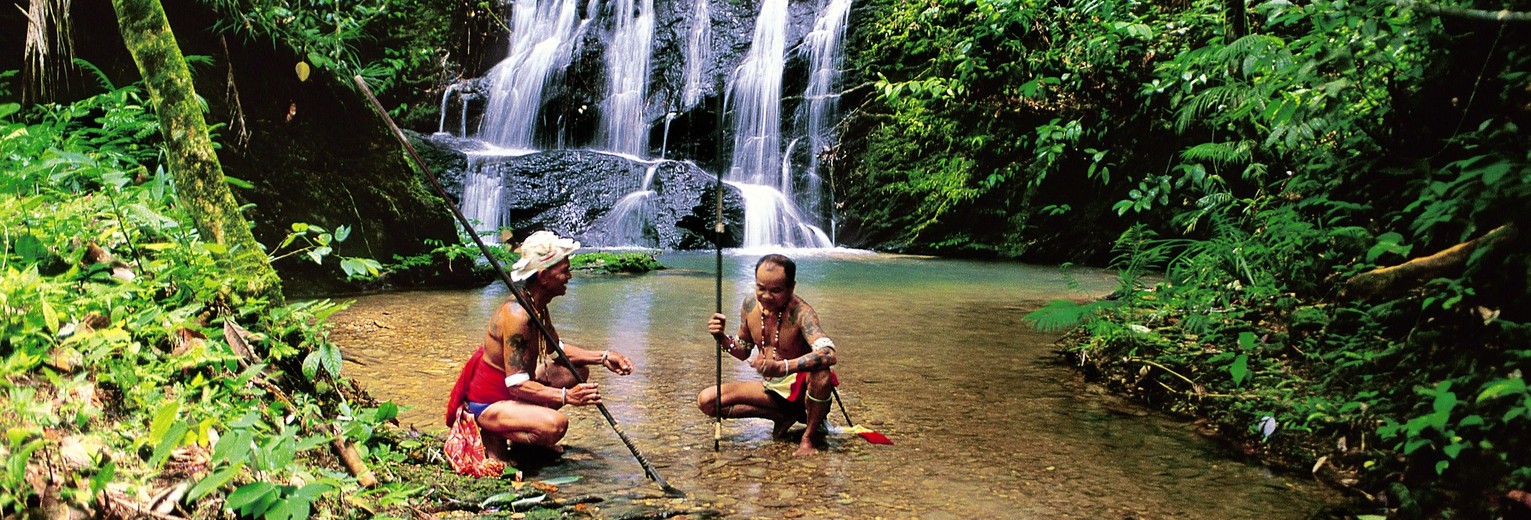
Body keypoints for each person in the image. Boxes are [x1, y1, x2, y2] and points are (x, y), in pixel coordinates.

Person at [445, 231, 634, 462]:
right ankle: (494, 433)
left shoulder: (537, 307)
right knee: (556, 425)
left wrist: (604, 357)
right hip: (489, 401)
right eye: (564, 270)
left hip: (512, 390)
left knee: (577, 370)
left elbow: (557, 348)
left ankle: (522, 436)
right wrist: (568, 396)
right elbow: (516, 386)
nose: (570, 276)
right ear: (544, 276)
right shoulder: (518, 316)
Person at [698, 254, 839, 456]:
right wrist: (721, 337)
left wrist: (784, 367)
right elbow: (742, 350)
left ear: (791, 288)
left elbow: (828, 354)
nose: (766, 296)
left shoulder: (802, 313)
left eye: (776, 290)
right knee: (707, 401)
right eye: (760, 288)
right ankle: (781, 415)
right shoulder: (749, 306)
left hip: (802, 394)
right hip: (771, 389)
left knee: (822, 373)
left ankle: (809, 437)